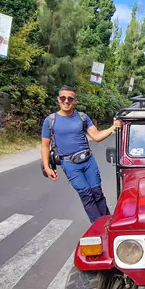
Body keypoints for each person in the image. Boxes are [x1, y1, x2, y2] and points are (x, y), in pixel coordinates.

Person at [41, 85, 122, 223]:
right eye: (63, 98)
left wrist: (113, 127)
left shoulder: (82, 117)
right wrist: (47, 167)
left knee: (98, 193)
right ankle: (98, 227)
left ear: (75, 101)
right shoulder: (50, 120)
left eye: (70, 98)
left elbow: (96, 136)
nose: (66, 101)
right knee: (87, 196)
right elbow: (45, 145)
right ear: (58, 100)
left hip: (88, 161)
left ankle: (109, 223)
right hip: (69, 164)